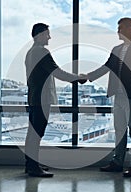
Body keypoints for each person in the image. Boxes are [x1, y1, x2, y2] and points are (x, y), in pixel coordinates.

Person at [85, 17, 131, 177]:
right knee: (119, 130)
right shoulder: (116, 49)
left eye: (120, 28)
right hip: (118, 96)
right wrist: (88, 77)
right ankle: (117, 162)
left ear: (129, 29)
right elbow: (107, 66)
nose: (118, 31)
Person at [24, 23, 86, 177]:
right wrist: (78, 78)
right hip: (41, 99)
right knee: (37, 134)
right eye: (47, 34)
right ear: (38, 35)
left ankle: (31, 164)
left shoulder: (30, 52)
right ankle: (33, 167)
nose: (49, 37)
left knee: (33, 133)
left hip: (34, 98)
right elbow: (58, 72)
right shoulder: (41, 51)